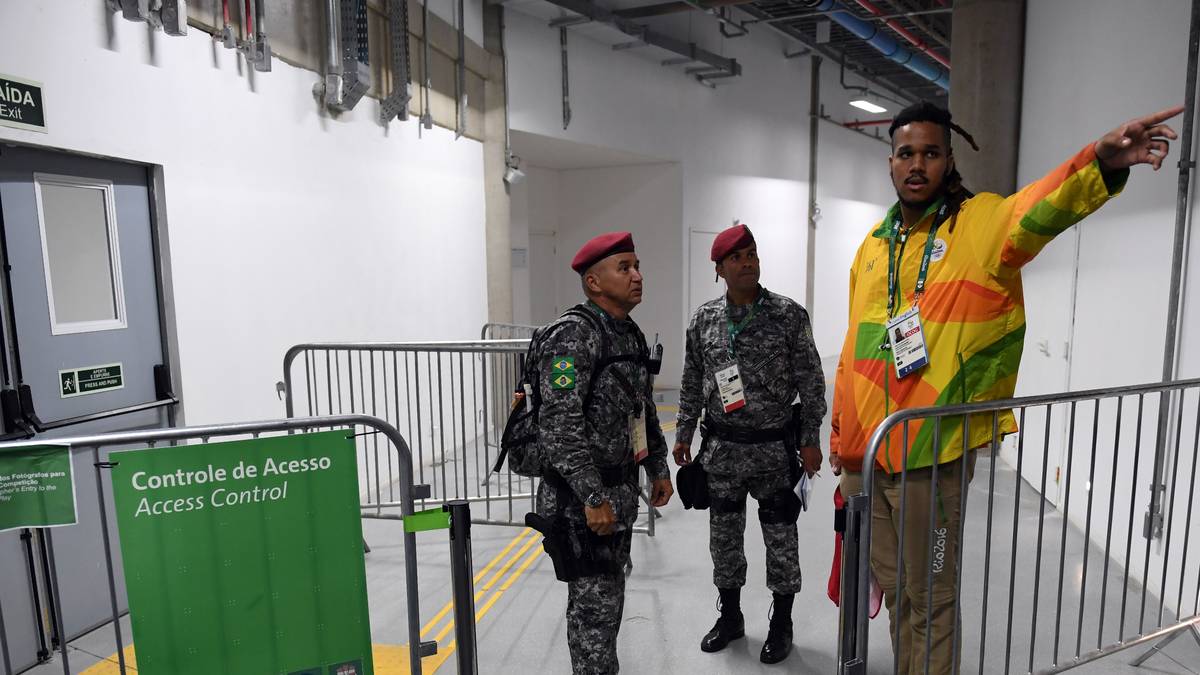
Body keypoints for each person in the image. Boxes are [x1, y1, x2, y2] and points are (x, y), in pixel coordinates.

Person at [829, 101, 1182, 674]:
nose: (917, 164)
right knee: (896, 595)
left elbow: (1041, 207)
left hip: (933, 454)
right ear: (890, 162)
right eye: (905, 153)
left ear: (948, 160)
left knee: (933, 597)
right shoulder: (874, 246)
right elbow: (854, 348)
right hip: (869, 456)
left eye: (931, 152)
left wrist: (1099, 162)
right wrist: (842, 434)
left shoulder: (982, 224)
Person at [673, 224, 827, 664]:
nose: (748, 263)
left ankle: (782, 623)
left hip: (773, 453)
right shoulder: (704, 319)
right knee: (724, 540)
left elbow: (811, 381)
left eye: (752, 254)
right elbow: (690, 380)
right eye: (736, 257)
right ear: (719, 269)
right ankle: (732, 616)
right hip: (722, 453)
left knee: (781, 540)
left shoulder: (787, 315)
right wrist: (683, 431)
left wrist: (810, 438)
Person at [533, 230, 674, 674]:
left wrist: (657, 466)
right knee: (594, 612)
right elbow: (560, 425)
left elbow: (642, 408)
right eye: (625, 267)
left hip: (618, 494)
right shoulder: (573, 336)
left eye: (637, 266)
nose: (638, 276)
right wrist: (592, 497)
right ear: (594, 282)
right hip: (582, 503)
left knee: (608, 601)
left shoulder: (627, 333)